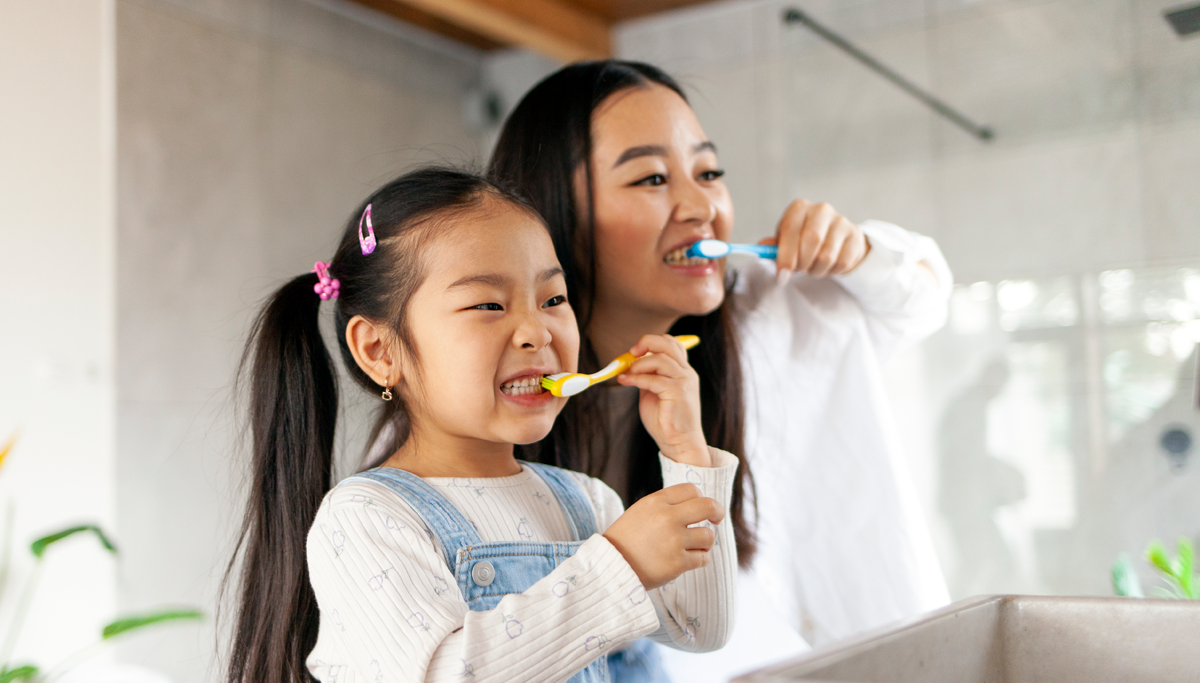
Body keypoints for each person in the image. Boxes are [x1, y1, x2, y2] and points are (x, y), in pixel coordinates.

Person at [487, 61, 953, 658]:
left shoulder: (776, 303)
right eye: (652, 179)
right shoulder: (506, 394)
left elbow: (923, 294)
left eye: (708, 172)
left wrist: (861, 252)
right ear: (553, 217)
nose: (699, 204)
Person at [224, 168, 738, 683]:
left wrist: (686, 451)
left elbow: (700, 627)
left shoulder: (587, 502)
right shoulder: (366, 518)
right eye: (488, 305)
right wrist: (617, 568)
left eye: (553, 299)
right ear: (379, 351)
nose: (537, 331)